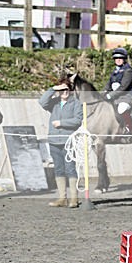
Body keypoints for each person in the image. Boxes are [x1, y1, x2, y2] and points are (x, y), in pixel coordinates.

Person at [39, 78, 84, 208]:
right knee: (58, 169)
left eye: (66, 89)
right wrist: (53, 89)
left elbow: (78, 120)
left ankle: (74, 199)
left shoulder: (76, 103)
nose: (64, 92)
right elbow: (41, 102)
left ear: (70, 90)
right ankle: (62, 198)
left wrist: (62, 123)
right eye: (62, 89)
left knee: (70, 169)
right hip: (54, 141)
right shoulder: (54, 103)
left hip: (68, 141)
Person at [104, 47, 132, 136]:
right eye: (116, 58)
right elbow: (109, 83)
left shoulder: (128, 71)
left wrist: (110, 95)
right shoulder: (115, 71)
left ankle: (130, 129)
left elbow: (123, 87)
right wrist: (104, 91)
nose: (118, 60)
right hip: (116, 97)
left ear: (124, 59)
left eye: (120, 58)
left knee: (121, 109)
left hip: (127, 97)